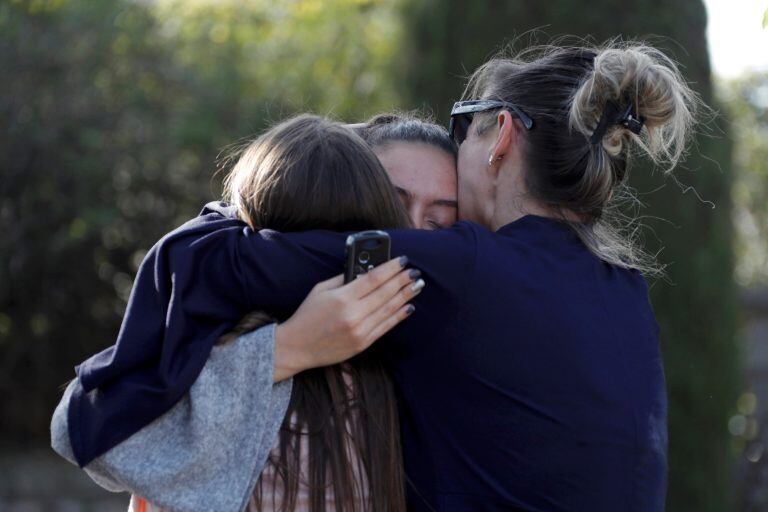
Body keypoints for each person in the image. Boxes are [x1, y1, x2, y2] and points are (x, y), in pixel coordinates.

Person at [59, 41, 699, 510]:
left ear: (499, 135)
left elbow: (214, 262)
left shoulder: (464, 274)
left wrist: (265, 193)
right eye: (393, 211)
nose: (416, 233)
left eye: (463, 131)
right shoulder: (621, 292)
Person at [52, 114, 459, 511]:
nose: (412, 235)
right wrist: (285, 350)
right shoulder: (209, 329)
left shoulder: (417, 351)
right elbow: (84, 433)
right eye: (395, 205)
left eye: (439, 223)